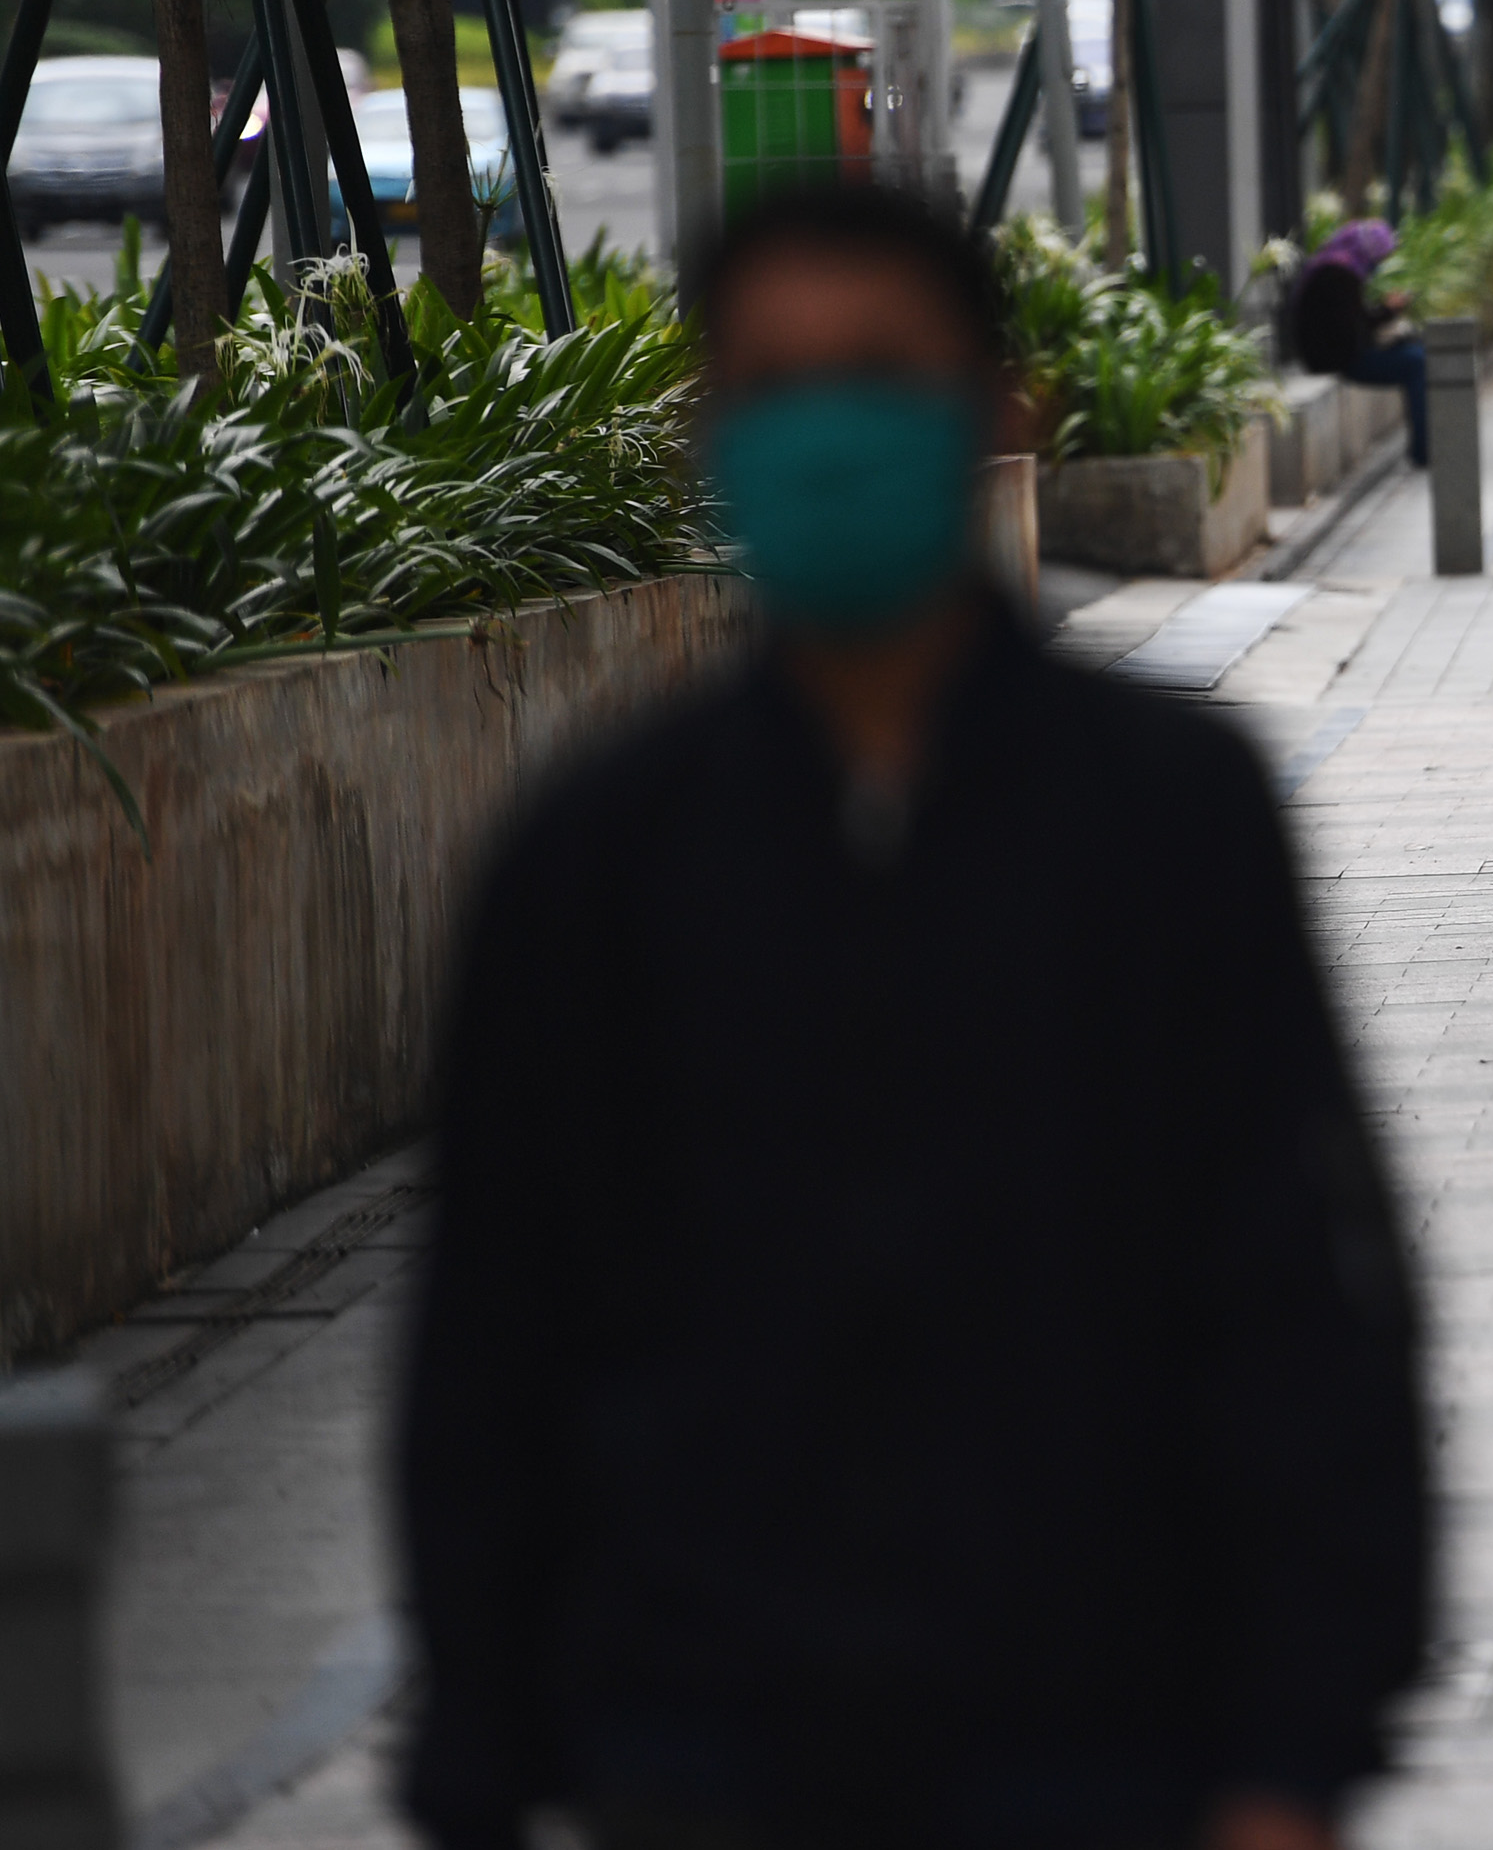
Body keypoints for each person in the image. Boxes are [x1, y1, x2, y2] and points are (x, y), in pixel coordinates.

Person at [402, 182, 1429, 1850]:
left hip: (1100, 1736)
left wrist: (1296, 1746)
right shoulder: (600, 855)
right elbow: (494, 1340)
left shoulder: (1170, 813)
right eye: (780, 386)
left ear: (994, 411)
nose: (832, 430)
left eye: (881, 372)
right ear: (714, 435)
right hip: (708, 1745)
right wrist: (482, 1755)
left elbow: (1301, 1281)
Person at [1287, 216, 1429, 466]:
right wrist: (1387, 314)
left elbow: (1353, 322)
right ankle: (1423, 451)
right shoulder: (1340, 274)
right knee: (1417, 363)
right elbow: (1354, 330)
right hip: (1336, 359)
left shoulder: (1336, 266)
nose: (1377, 265)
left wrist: (1386, 313)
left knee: (1414, 353)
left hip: (1334, 353)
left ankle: (1423, 446)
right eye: (1378, 258)